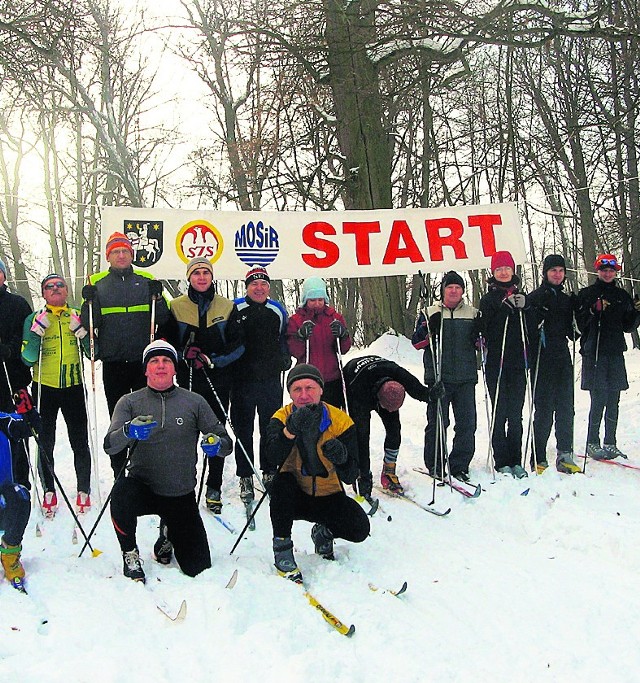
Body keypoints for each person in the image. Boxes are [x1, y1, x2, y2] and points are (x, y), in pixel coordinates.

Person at [104, 340, 232, 583]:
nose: (160, 366)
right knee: (121, 492)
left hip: (179, 493)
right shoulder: (129, 402)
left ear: (175, 369)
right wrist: (128, 431)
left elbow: (226, 443)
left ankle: (167, 534)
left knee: (198, 567)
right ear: (145, 370)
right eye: (154, 361)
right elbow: (110, 445)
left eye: (166, 361)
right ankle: (129, 553)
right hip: (143, 488)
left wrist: (216, 444)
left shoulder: (194, 401)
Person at [265, 364, 369, 583]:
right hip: (295, 496)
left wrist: (342, 457)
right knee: (281, 483)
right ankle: (282, 548)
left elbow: (351, 476)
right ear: (290, 393)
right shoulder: (280, 417)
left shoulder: (340, 421)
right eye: (297, 389)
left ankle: (324, 532)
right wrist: (289, 431)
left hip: (328, 495)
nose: (304, 395)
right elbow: (271, 458)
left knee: (360, 529)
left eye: (310, 388)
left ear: (321, 389)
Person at [81, 232, 169, 477]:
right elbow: (89, 322)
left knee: (147, 415)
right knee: (119, 417)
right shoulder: (97, 283)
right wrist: (86, 301)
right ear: (108, 257)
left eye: (125, 251)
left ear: (132, 254)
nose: (121, 255)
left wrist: (159, 297)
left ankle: (147, 464)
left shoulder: (146, 279)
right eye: (115, 252)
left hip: (143, 364)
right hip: (114, 362)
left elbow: (162, 318)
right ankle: (119, 468)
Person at [163, 257, 244, 514]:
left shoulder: (227, 306)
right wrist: (181, 354)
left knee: (215, 432)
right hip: (187, 379)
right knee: (185, 434)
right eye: (196, 273)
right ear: (189, 277)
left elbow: (239, 345)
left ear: (212, 277)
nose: (201, 277)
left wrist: (212, 361)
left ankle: (214, 486)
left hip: (217, 379)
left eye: (205, 273)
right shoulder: (175, 307)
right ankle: (185, 485)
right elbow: (163, 343)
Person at [22, 274, 93, 515]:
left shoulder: (76, 315)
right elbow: (27, 358)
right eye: (49, 287)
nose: (55, 289)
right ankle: (49, 490)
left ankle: (84, 488)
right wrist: (35, 334)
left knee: (79, 440)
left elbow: (93, 354)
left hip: (73, 386)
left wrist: (83, 333)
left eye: (59, 285)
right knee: (46, 441)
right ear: (43, 293)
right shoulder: (34, 318)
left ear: (66, 290)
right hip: (44, 387)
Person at [231, 267, 291, 505]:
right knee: (243, 429)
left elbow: (284, 337)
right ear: (247, 287)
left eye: (263, 284)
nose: (259, 288)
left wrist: (285, 356)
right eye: (254, 284)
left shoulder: (277, 310)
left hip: (269, 379)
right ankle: (245, 475)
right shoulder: (235, 308)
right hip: (242, 380)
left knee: (270, 427)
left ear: (269, 287)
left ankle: (269, 469)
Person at [412, 271, 479, 482]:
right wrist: (429, 331)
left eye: (457, 287)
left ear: (462, 291)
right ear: (443, 290)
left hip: (466, 376)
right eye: (449, 287)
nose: (453, 291)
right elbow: (417, 342)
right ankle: (435, 463)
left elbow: (481, 344)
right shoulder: (429, 311)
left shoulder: (472, 313)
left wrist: (481, 334)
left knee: (467, 423)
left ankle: (459, 464)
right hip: (438, 377)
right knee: (438, 422)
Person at [575, 253, 640, 460]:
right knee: (599, 397)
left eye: (611, 270)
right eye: (604, 270)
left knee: (614, 398)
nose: (608, 273)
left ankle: (610, 441)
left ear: (615, 272)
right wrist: (594, 309)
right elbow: (579, 324)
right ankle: (592, 441)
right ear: (598, 271)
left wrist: (637, 311)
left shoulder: (622, 295)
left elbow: (628, 326)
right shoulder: (587, 294)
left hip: (615, 352)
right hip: (594, 352)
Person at [478, 251, 535, 479]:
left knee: (516, 414)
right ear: (493, 273)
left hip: (518, 362)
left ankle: (516, 459)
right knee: (500, 412)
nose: (503, 272)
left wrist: (527, 308)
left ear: (513, 270)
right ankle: (501, 459)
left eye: (507, 269)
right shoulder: (488, 299)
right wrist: (505, 309)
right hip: (497, 362)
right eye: (499, 269)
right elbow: (485, 328)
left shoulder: (522, 295)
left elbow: (531, 327)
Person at [342, 355, 431, 498]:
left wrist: (430, 395)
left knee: (394, 430)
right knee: (361, 434)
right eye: (387, 407)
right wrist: (364, 475)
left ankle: (389, 472)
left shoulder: (396, 372)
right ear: (378, 399)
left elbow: (415, 387)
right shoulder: (359, 388)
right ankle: (360, 476)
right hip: (355, 384)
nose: (390, 411)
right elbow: (362, 441)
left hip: (383, 385)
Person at [527, 255, 581, 474]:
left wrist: (580, 313)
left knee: (566, 407)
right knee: (544, 409)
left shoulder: (567, 299)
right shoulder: (535, 297)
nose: (557, 274)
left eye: (560, 270)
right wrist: (535, 316)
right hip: (541, 359)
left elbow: (574, 333)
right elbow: (527, 332)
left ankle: (565, 453)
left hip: (562, 357)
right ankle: (538, 455)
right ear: (545, 273)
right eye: (553, 270)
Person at [286, 277, 351, 408]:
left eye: (320, 300)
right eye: (312, 300)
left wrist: (343, 335)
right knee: (309, 416)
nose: (317, 304)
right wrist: (300, 336)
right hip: (307, 376)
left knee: (331, 415)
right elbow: (295, 352)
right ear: (305, 300)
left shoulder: (334, 317)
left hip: (331, 377)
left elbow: (343, 349)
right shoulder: (296, 320)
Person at [0, 391, 39, 591]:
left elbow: (34, 428)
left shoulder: (4, 421)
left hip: (2, 493)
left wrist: (29, 412)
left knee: (20, 497)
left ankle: (9, 554)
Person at [0, 258, 33, 489]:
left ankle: (21, 481)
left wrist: (10, 348)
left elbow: (28, 337)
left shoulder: (17, 303)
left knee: (17, 430)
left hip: (13, 380)